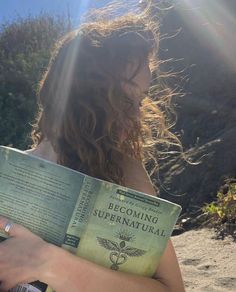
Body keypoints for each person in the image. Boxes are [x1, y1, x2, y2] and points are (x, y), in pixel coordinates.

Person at [0, 6, 185, 292]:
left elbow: (172, 289)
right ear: (80, 93)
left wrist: (50, 264)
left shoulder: (124, 172)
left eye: (140, 100)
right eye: (123, 97)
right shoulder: (7, 173)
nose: (136, 116)